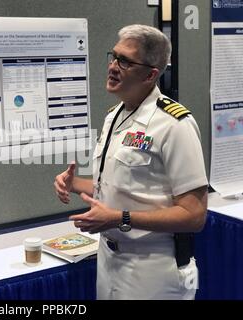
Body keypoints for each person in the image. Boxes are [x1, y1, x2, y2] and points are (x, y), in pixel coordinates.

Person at [54, 24, 208, 300]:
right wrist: (75, 184)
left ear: (150, 74)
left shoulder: (174, 124)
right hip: (109, 259)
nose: (113, 66)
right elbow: (120, 186)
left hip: (152, 267)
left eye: (125, 61)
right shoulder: (114, 115)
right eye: (113, 57)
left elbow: (194, 215)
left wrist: (120, 218)